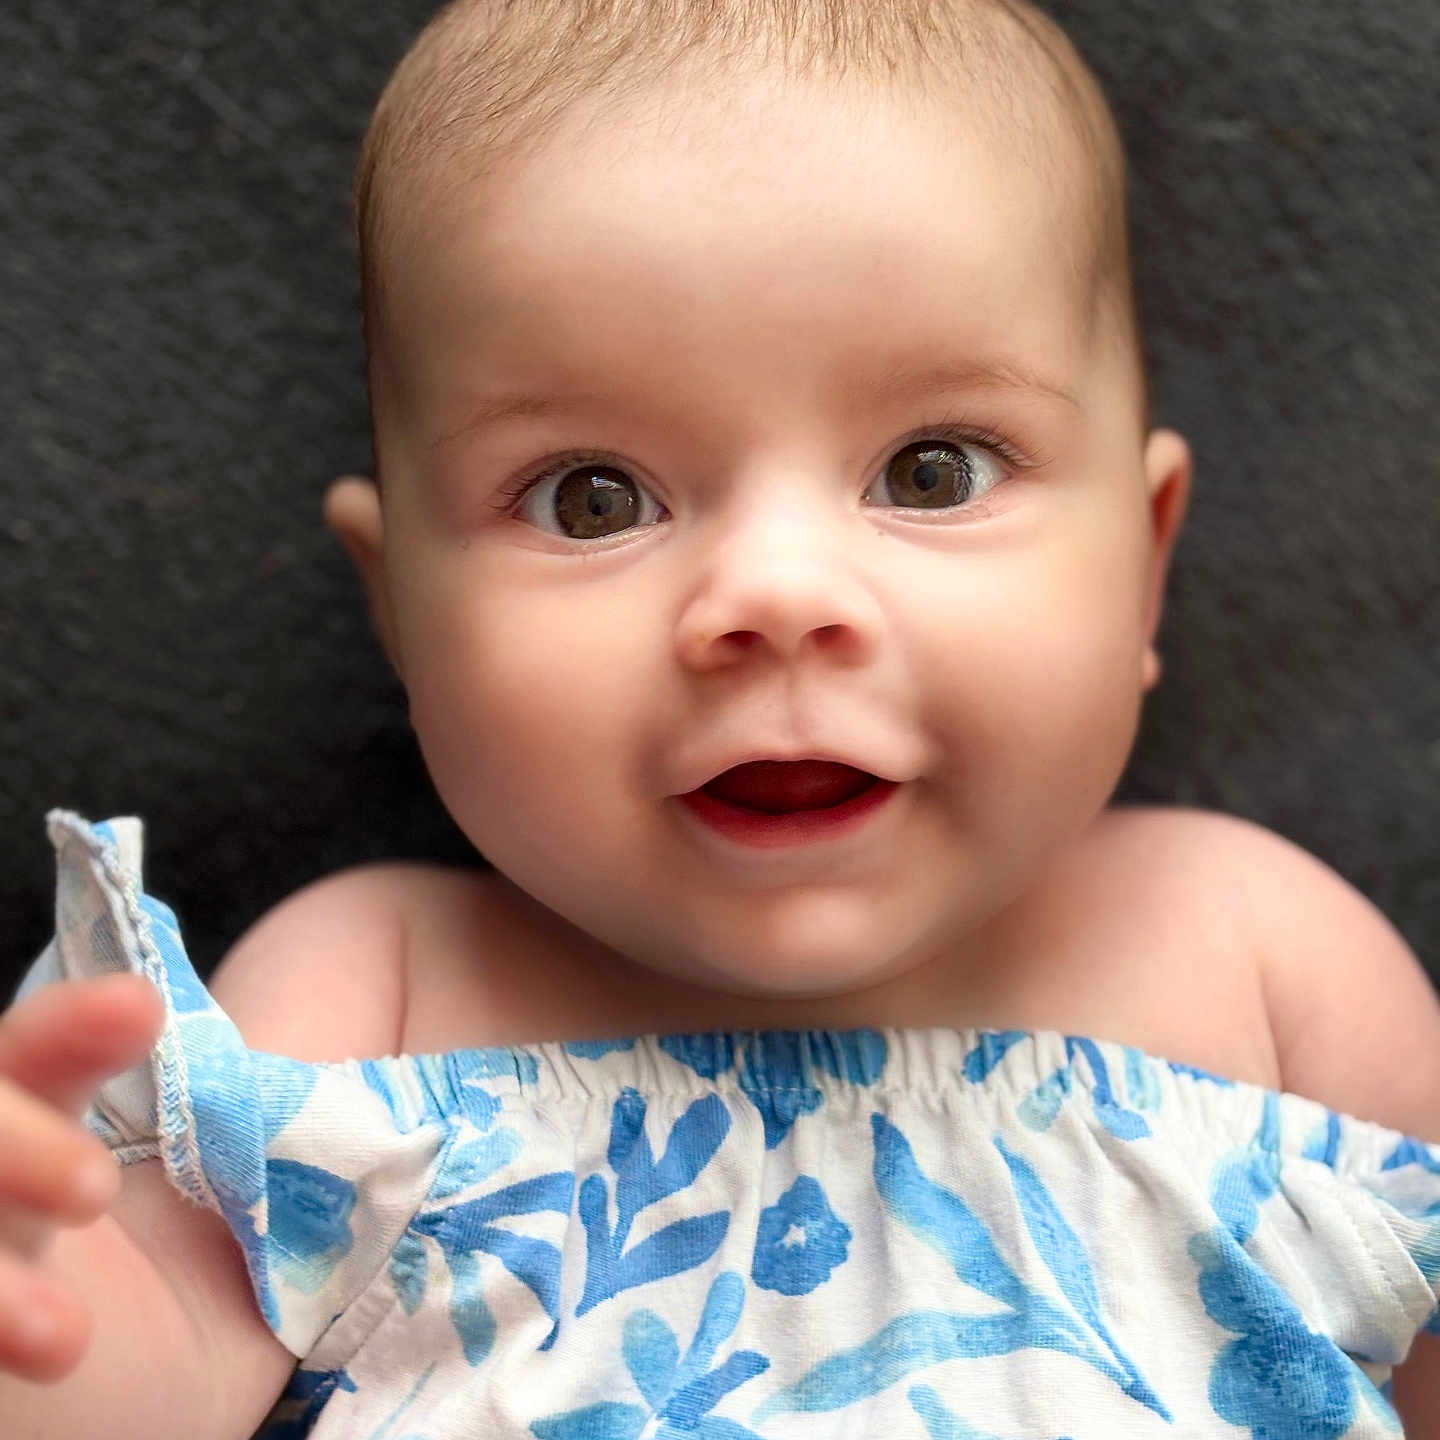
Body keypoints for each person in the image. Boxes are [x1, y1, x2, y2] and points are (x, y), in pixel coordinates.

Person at [3, 0, 1438, 1434]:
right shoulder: (361, 995)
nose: (774, 596)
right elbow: (154, 1383)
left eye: (932, 471)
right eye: (592, 499)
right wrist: (57, 1326)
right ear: (402, 617)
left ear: (1146, 563)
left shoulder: (1268, 965)